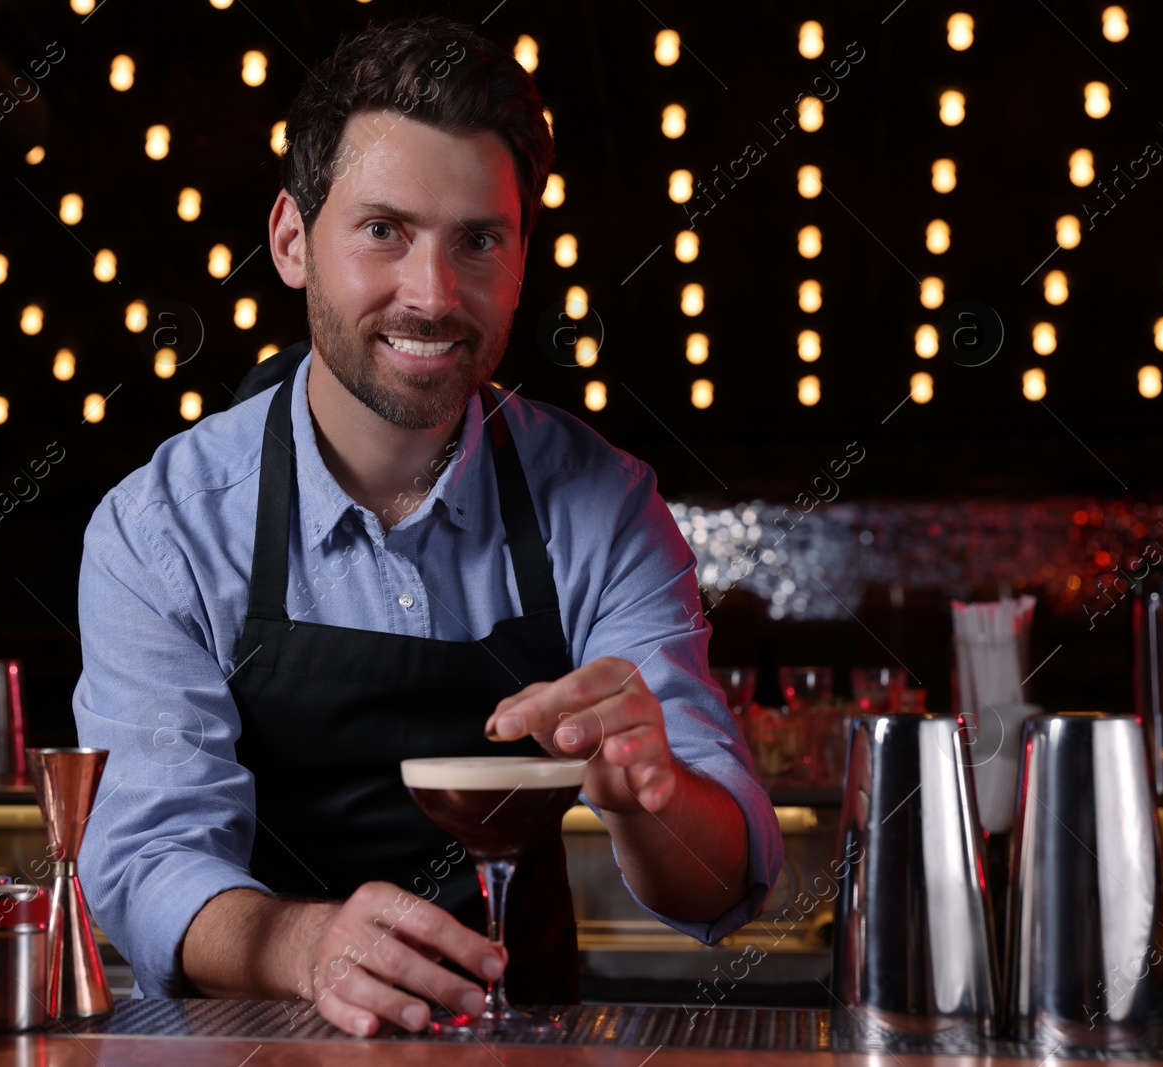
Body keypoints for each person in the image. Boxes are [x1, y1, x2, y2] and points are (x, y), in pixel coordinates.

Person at [72, 14, 782, 1038]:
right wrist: (303, 943)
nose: (433, 294)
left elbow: (720, 884)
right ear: (289, 240)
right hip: (256, 1049)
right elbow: (144, 863)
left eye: (478, 241)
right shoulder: (164, 528)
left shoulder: (606, 504)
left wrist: (654, 795)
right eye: (383, 230)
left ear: (523, 255)